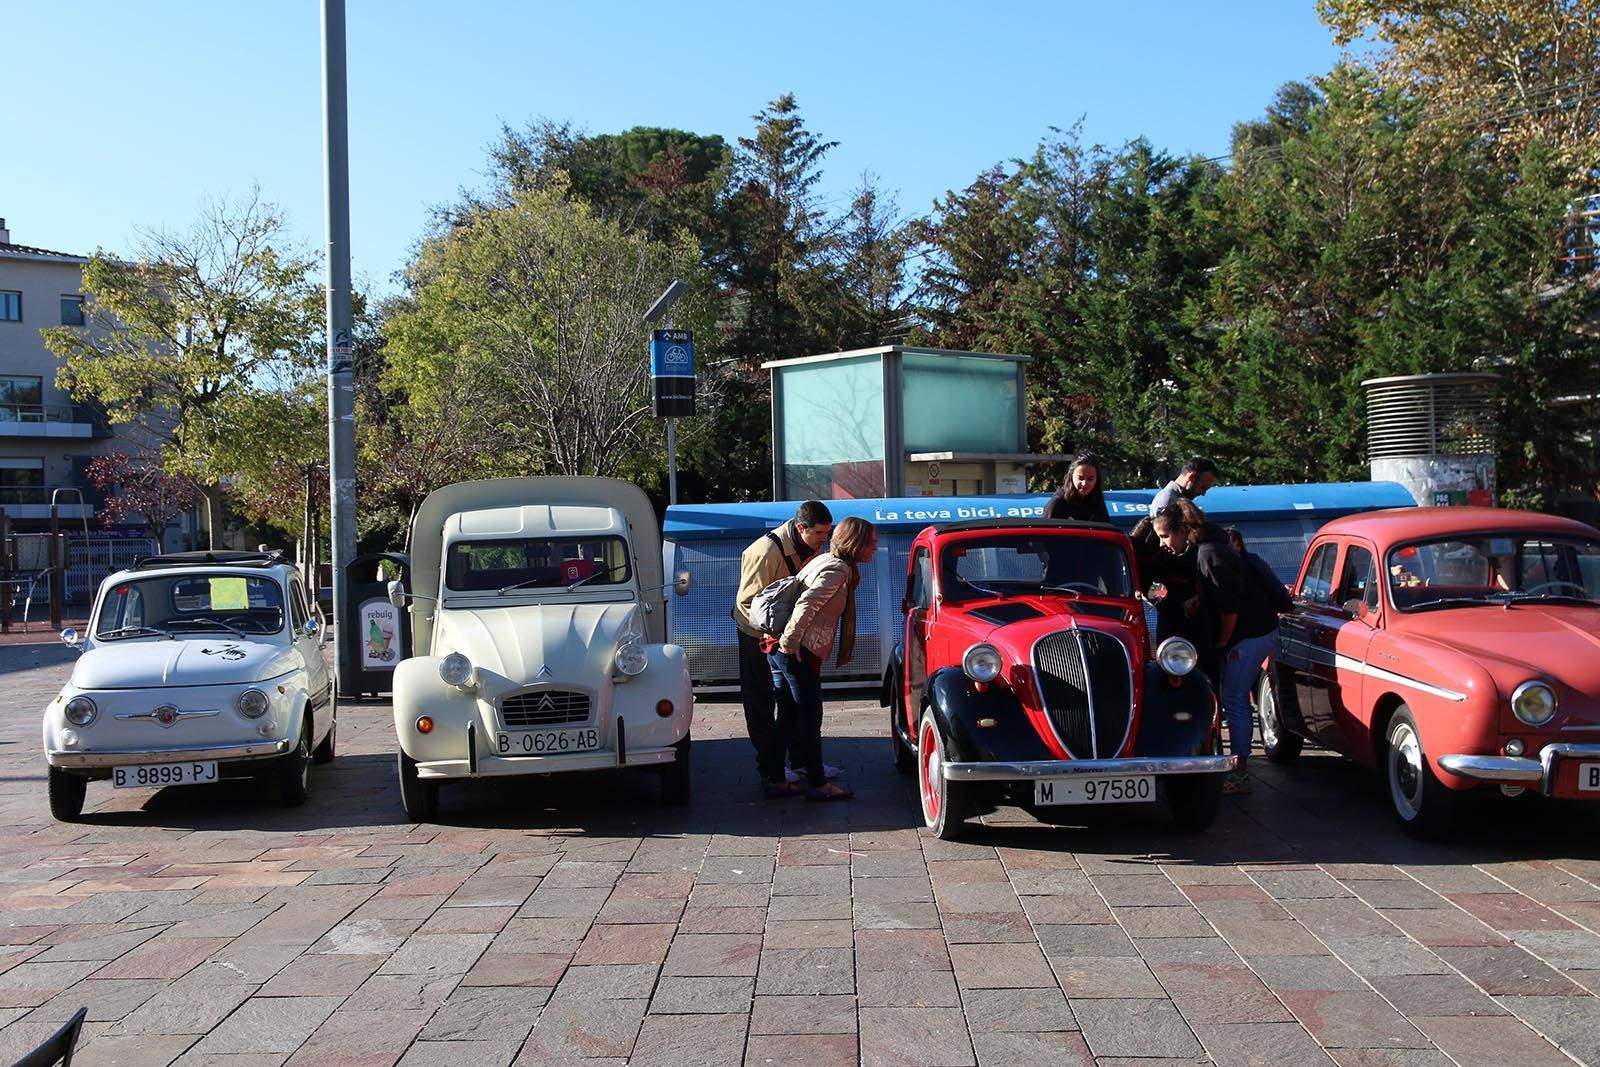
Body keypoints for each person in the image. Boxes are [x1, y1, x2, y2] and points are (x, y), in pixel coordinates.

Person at [1157, 503, 1277, 795]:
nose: (1163, 544)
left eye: (1164, 536)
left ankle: (1239, 772)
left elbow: (1230, 607)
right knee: (1231, 697)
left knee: (1235, 698)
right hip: (1250, 631)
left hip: (1249, 634)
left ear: (1183, 530)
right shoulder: (1211, 548)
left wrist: (1223, 643)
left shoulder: (1209, 553)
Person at [766, 517, 878, 801]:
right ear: (857, 543)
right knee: (809, 717)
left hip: (783, 648)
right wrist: (790, 645)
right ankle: (817, 784)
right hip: (796, 651)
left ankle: (777, 779)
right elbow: (806, 604)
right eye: (872, 542)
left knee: (789, 717)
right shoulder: (837, 569)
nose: (876, 548)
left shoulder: (826, 560)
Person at [733, 500, 832, 788]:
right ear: (801, 528)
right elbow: (747, 603)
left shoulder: (809, 545)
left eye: (827, 534)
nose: (823, 540)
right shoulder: (764, 552)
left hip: (785, 632)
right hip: (756, 634)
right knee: (761, 698)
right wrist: (775, 634)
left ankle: (800, 762)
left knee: (791, 698)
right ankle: (769, 767)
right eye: (819, 534)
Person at [1226, 528, 1294, 615]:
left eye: (1230, 545)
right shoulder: (1253, 560)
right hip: (1265, 618)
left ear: (1239, 545)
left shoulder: (1251, 562)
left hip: (1258, 618)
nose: (1227, 549)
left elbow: (1272, 583)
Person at [1044, 453, 1111, 523]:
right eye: (1080, 478)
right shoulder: (1057, 503)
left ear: (1097, 479)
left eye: (1090, 479)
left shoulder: (1097, 499)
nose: (1084, 483)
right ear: (1071, 476)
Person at [1149, 457, 1220, 518]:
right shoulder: (1169, 501)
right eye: (1203, 487)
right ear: (1192, 477)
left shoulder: (1176, 498)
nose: (1203, 493)